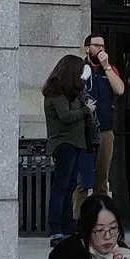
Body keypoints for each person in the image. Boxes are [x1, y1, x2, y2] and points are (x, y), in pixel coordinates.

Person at [44, 55, 96, 242]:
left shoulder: (72, 92)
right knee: (61, 186)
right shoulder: (56, 93)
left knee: (70, 186)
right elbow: (65, 116)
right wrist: (86, 110)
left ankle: (67, 226)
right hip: (63, 143)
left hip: (75, 143)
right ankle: (56, 228)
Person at [84, 35, 126, 201]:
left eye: (103, 46)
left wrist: (106, 66)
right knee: (83, 179)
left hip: (104, 129)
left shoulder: (109, 70)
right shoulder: (80, 69)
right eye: (96, 45)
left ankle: (100, 216)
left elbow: (120, 89)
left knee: (102, 178)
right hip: (84, 129)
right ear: (87, 48)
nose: (101, 49)